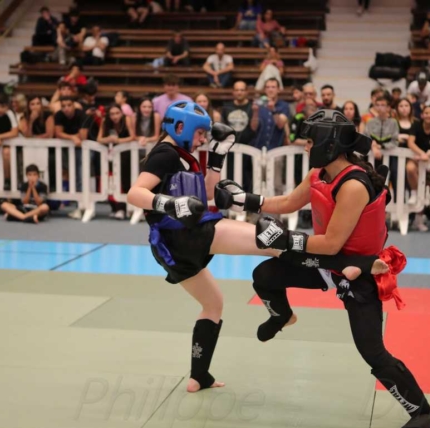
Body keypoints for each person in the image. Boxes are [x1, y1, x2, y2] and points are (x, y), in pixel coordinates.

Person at [127, 101, 387, 393]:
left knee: (213, 304)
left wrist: (216, 158)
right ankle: (354, 267)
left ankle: (198, 377)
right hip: (191, 235)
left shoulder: (184, 156)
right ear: (179, 127)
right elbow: (134, 193)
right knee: (273, 242)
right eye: (200, 133)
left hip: (173, 250)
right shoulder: (164, 154)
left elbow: (208, 195)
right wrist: (168, 203)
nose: (203, 138)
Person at [230, 109, 430, 428]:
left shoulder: (353, 185)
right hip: (329, 265)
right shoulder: (319, 173)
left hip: (356, 271)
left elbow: (330, 244)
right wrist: (245, 199)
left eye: (310, 140)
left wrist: (284, 239)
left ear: (328, 144)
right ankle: (281, 316)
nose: (304, 146)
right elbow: (287, 202)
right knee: (266, 275)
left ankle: (424, 413)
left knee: (371, 350)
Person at [407, 105, 430, 230]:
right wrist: (421, 154)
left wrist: (428, 155)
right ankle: (414, 192)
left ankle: (419, 220)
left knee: (427, 186)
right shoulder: (416, 126)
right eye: (426, 113)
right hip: (417, 159)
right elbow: (410, 142)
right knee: (410, 169)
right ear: (422, 115)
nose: (429, 115)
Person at [98, 103, 136, 220]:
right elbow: (99, 139)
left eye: (117, 113)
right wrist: (108, 139)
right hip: (110, 157)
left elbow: (132, 137)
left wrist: (118, 141)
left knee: (125, 181)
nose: (115, 116)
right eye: (112, 114)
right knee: (111, 181)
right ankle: (114, 207)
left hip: (126, 156)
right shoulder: (105, 122)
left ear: (121, 113)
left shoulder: (127, 120)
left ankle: (123, 208)